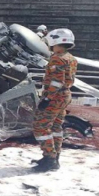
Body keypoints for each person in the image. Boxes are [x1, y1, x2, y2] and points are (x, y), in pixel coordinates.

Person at [31, 28, 77, 173]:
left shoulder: (57, 58)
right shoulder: (70, 57)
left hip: (55, 96)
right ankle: (54, 157)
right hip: (65, 95)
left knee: (41, 126)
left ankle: (49, 158)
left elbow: (57, 81)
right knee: (56, 127)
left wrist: (48, 98)